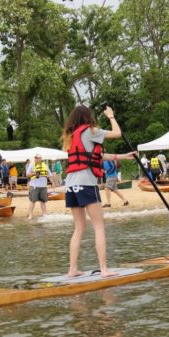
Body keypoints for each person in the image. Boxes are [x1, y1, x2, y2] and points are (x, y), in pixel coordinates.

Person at [62, 104, 134, 278]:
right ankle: (104, 269)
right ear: (88, 117)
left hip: (71, 185)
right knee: (99, 226)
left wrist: (123, 156)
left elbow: (97, 156)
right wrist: (111, 115)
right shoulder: (91, 131)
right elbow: (117, 133)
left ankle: (72, 270)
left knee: (79, 228)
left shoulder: (71, 136)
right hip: (86, 184)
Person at [26, 154, 52, 219]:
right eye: (36, 158)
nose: (36, 159)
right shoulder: (32, 165)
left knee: (43, 201)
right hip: (34, 185)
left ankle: (44, 214)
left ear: (41, 159)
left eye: (38, 158)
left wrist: (53, 183)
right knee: (33, 201)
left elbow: (50, 175)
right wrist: (34, 173)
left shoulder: (45, 165)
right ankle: (30, 215)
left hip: (43, 186)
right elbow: (27, 174)